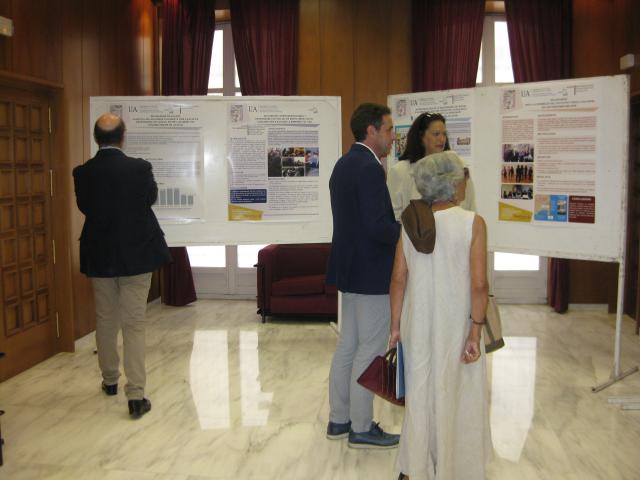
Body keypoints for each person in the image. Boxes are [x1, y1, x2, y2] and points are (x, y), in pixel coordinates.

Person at [389, 151, 492, 479]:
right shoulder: (472, 223)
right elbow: (479, 285)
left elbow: (398, 278)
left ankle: (416, 466)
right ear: (452, 184)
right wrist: (476, 330)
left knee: (420, 393)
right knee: (458, 392)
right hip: (456, 323)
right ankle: (456, 467)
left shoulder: (411, 222)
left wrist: (395, 326)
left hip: (417, 322)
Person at [73, 113, 172, 419]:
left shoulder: (82, 172)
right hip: (137, 255)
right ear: (122, 136)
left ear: (96, 138)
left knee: (105, 320)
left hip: (100, 255)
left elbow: (85, 207)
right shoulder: (140, 168)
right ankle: (136, 396)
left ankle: (110, 380)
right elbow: (149, 199)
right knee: (134, 324)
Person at [326, 103, 402, 449]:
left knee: (348, 346)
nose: (392, 137)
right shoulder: (370, 168)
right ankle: (361, 427)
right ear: (371, 131)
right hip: (372, 273)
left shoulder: (343, 164)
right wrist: (407, 232)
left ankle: (339, 420)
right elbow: (377, 227)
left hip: (350, 270)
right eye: (388, 129)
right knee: (369, 350)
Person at [387, 112, 476, 220]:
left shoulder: (458, 167)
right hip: (415, 230)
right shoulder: (400, 170)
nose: (442, 139)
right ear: (421, 136)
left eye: (444, 134)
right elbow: (393, 215)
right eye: (436, 134)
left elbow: (470, 207)